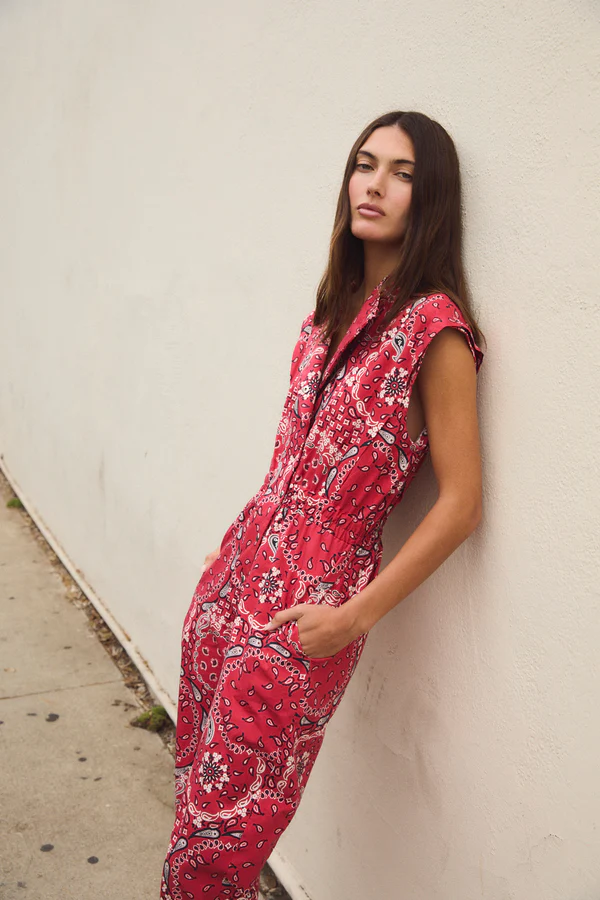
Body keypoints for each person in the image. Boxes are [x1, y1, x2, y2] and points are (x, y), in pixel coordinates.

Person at [160, 110, 485, 900]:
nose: (373, 185)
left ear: (431, 198)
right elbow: (292, 463)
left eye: (402, 174)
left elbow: (463, 503)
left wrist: (352, 618)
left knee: (220, 846)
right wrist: (234, 542)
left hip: (304, 620)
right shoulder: (325, 316)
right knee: (194, 817)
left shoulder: (435, 330)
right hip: (231, 589)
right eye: (364, 165)